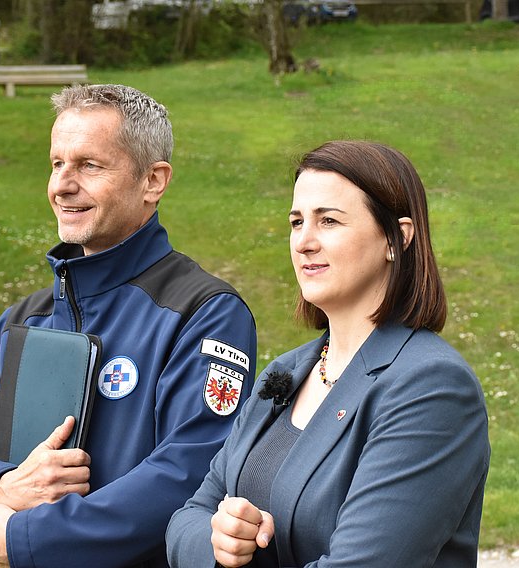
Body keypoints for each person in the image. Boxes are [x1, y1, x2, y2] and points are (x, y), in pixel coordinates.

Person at [0, 84, 257, 568]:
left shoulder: (205, 311)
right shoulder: (25, 320)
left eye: (89, 166)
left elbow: (188, 475)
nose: (62, 185)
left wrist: (27, 538)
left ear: (153, 181)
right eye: (57, 163)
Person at [166, 140, 490, 567]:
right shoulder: (285, 372)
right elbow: (187, 518)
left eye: (329, 221)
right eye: (296, 222)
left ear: (398, 238)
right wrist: (219, 542)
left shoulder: (431, 388)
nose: (304, 242)